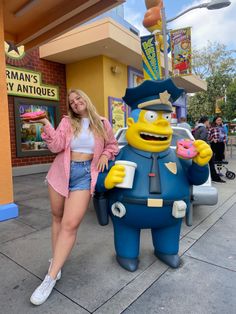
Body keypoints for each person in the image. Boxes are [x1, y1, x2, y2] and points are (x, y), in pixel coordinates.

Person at [29, 89, 119, 305]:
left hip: (85, 175)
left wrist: (106, 155)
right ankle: (56, 264)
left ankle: (49, 278)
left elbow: (112, 145)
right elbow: (56, 146)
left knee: (70, 224)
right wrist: (45, 124)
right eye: (72, 102)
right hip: (61, 171)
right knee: (57, 217)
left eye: (78, 98)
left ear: (86, 99)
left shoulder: (103, 123)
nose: (76, 103)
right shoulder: (68, 122)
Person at [193, 116, 225, 183]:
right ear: (206, 121)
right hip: (205, 149)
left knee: (205, 164)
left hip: (199, 149)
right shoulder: (203, 129)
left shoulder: (197, 128)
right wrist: (209, 142)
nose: (208, 123)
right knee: (211, 164)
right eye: (208, 121)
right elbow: (202, 139)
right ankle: (215, 178)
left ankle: (213, 177)